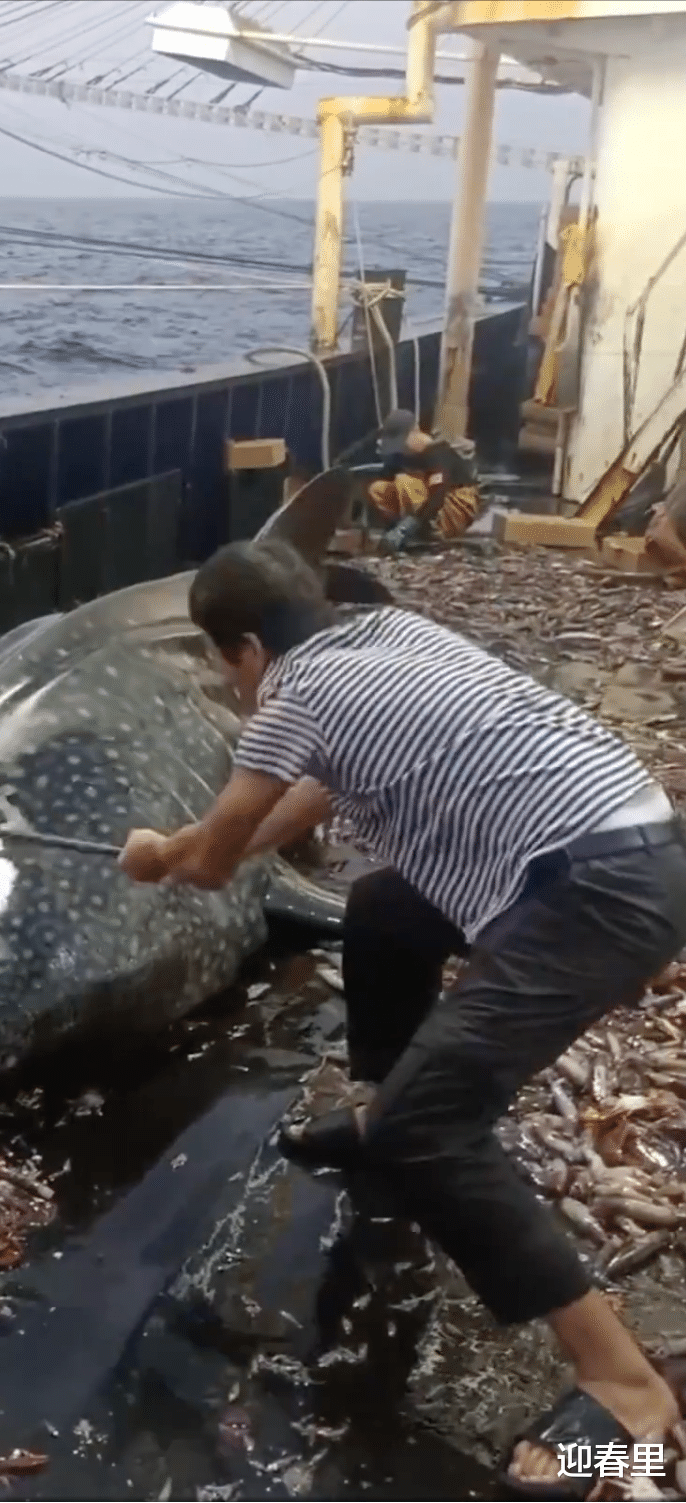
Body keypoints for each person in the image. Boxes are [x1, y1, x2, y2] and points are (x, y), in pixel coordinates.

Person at [118, 538, 686, 1499]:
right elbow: (301, 803)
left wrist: (162, 851)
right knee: (384, 906)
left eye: (228, 664)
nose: (235, 681)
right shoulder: (393, 629)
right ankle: (383, 1111)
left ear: (245, 648)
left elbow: (211, 865)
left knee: (440, 1128)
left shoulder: (292, 694)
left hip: (592, 897)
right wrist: (203, 844)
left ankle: (628, 1398)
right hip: (633, 842)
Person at [368, 408, 481, 552]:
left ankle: (427, 531)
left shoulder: (438, 452)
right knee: (379, 489)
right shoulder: (415, 456)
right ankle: (401, 530)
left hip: (454, 504)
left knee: (404, 482)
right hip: (432, 504)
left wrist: (407, 526)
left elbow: (438, 492)